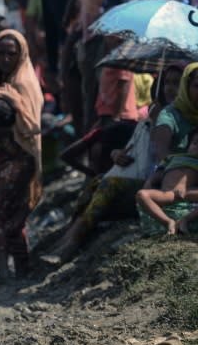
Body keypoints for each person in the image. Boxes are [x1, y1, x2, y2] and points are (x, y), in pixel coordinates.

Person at [45, 63, 183, 263]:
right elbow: (132, 148)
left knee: (109, 184)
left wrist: (159, 126)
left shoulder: (181, 119)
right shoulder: (152, 116)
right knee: (96, 183)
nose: (170, 88)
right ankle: (68, 238)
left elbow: (165, 156)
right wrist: (117, 155)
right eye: (167, 83)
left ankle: (71, 244)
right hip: (138, 177)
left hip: (158, 184)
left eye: (177, 84)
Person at [0, 30, 43, 280]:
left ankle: (5, 271)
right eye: (1, 53)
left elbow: (29, 125)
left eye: (11, 54)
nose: (6, 58)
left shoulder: (24, 84)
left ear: (21, 55)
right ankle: (21, 269)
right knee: (10, 215)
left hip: (20, 156)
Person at [75, 0, 121, 134]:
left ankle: (86, 138)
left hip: (85, 42)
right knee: (104, 99)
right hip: (102, 43)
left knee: (88, 96)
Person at [137, 127, 198, 236]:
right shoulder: (172, 157)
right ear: (189, 144)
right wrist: (150, 181)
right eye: (195, 143)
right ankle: (168, 222)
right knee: (142, 194)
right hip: (168, 193)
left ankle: (185, 220)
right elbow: (158, 174)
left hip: (188, 192)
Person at [152, 62, 198, 164]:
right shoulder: (169, 114)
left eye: (175, 83)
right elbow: (161, 150)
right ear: (185, 86)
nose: (169, 88)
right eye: (196, 86)